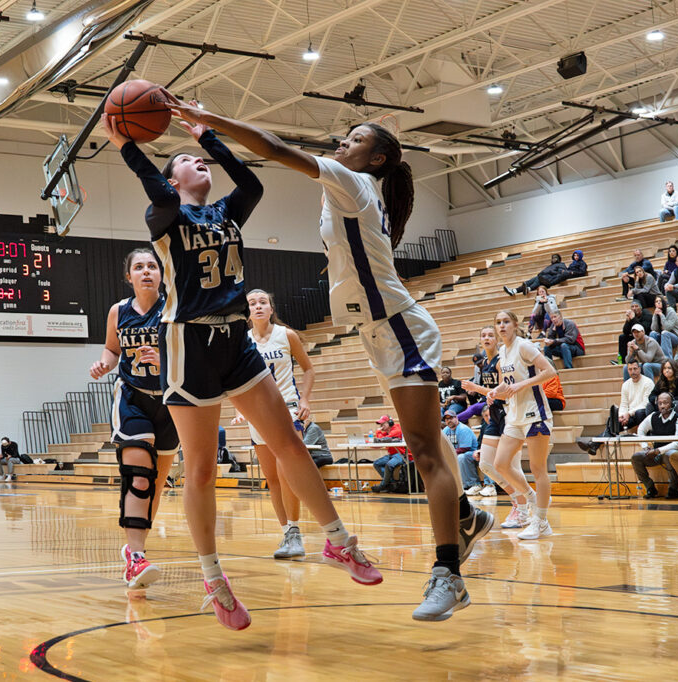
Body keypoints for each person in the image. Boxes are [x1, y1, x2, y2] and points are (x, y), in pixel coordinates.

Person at [173, 100, 496, 620]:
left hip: (400, 327)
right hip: (377, 331)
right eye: (346, 137)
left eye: (356, 139)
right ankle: (464, 515)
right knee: (423, 447)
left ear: (378, 159)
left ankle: (448, 575)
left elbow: (275, 150)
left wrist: (211, 122)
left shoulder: (354, 182)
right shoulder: (348, 188)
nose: (343, 143)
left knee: (425, 450)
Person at [107, 99, 380, 631]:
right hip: (187, 345)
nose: (199, 165)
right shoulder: (164, 214)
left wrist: (209, 137)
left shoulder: (227, 212)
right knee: (203, 469)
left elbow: (252, 185)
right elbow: (153, 182)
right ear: (172, 177)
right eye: (187, 161)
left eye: (202, 161)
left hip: (236, 341)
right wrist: (124, 141)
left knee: (290, 442)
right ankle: (214, 579)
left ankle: (339, 542)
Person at [88, 249, 181, 588]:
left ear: (161, 274)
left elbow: (190, 352)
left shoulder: (174, 307)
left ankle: (134, 548)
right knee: (138, 476)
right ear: (129, 277)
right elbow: (112, 348)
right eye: (138, 267)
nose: (146, 272)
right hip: (132, 397)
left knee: (155, 485)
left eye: (152, 266)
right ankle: (137, 559)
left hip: (172, 400)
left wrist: (165, 359)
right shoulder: (118, 311)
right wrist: (104, 363)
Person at [231, 288, 319, 561]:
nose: (258, 306)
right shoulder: (242, 341)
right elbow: (232, 380)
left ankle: (295, 532)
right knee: (271, 478)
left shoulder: (287, 335)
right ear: (247, 311)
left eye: (263, 302)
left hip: (288, 409)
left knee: (286, 472)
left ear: (271, 308)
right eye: (252, 303)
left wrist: (304, 399)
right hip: (258, 413)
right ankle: (287, 532)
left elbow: (308, 369)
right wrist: (240, 409)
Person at [487, 311, 558, 541]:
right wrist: (494, 392)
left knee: (538, 469)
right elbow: (507, 384)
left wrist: (522, 385)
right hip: (514, 415)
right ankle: (530, 497)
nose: (502, 326)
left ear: (515, 324)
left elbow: (550, 372)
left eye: (506, 321)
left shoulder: (524, 346)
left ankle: (541, 521)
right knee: (500, 464)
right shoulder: (503, 352)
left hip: (535, 413)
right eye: (498, 323)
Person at [461, 325, 527, 528]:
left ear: (496, 339)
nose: (487, 338)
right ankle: (517, 498)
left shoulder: (502, 360)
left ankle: (525, 507)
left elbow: (504, 391)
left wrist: (476, 388)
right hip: (494, 416)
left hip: (509, 414)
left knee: (512, 466)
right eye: (483, 335)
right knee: (486, 464)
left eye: (491, 335)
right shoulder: (485, 363)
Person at [575, 360, 654, 456]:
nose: (633, 372)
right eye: (630, 369)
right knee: (611, 420)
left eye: (635, 369)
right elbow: (624, 404)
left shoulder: (648, 382)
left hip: (641, 414)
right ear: (627, 370)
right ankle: (594, 445)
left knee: (639, 413)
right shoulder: (626, 385)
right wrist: (621, 416)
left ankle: (594, 443)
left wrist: (628, 414)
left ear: (640, 369)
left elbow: (646, 403)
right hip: (629, 415)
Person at [631, 392, 678, 498]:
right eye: (660, 403)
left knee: (669, 454)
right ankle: (650, 488)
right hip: (656, 454)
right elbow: (641, 429)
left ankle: (673, 489)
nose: (662, 406)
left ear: (672, 404)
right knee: (636, 457)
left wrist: (658, 451)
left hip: (674, 455)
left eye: (665, 403)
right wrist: (645, 446)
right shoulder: (653, 416)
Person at [446, 411, 486, 496]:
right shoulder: (446, 430)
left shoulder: (463, 429)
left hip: (472, 454)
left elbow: (465, 448)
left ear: (456, 418)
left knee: (461, 457)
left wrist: (449, 454)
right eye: (446, 419)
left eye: (451, 418)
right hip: (457, 454)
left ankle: (474, 484)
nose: (449, 421)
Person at [503, 253, 570, 296]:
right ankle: (514, 291)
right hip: (542, 277)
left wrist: (550, 273)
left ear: (559, 259)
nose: (553, 259)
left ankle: (528, 289)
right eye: (553, 258)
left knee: (538, 278)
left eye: (555, 258)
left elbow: (561, 273)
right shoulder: (550, 266)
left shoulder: (561, 264)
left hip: (548, 280)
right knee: (529, 281)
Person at [371, 416, 407, 492]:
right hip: (392, 454)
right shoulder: (388, 431)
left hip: (400, 454)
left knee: (389, 464)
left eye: (383, 424)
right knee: (376, 463)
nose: (381, 426)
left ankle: (383, 485)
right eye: (380, 425)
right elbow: (380, 440)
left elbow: (382, 440)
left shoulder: (396, 430)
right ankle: (391, 483)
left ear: (390, 423)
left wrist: (378, 432)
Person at [615, 300, 653, 364]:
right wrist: (628, 321)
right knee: (622, 337)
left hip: (646, 336)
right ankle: (623, 361)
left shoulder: (647, 314)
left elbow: (643, 329)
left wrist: (633, 319)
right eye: (632, 307)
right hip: (636, 337)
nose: (634, 308)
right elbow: (625, 332)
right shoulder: (632, 316)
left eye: (636, 306)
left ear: (640, 308)